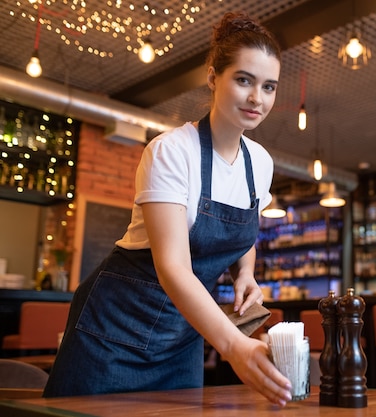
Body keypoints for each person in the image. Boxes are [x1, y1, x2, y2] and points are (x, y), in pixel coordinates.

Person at [43, 11, 292, 406]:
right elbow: (173, 266)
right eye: (243, 80)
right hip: (114, 332)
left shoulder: (260, 163)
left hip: (183, 338)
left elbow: (242, 232)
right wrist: (233, 346)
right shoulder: (171, 151)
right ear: (213, 77)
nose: (256, 98)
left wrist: (245, 272)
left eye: (269, 86)